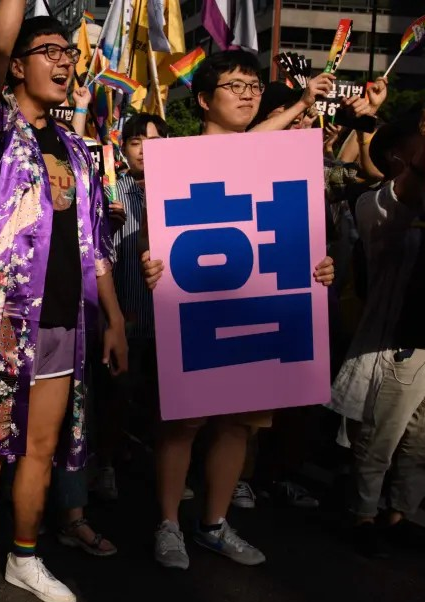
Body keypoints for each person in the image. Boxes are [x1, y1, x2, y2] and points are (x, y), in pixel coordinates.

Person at [0, 7, 127, 602]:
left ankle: (25, 555)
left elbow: (94, 246)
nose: (65, 62)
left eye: (69, 53)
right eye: (49, 52)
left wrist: (115, 318)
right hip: (1, 324)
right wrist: (5, 33)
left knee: (40, 448)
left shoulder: (78, 150)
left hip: (65, 321)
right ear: (17, 67)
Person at [140, 49, 336, 570]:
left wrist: (315, 266)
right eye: (235, 86)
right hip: (198, 307)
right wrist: (150, 263)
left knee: (237, 422)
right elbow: (151, 237)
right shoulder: (177, 160)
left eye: (253, 85)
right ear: (205, 99)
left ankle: (213, 524)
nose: (248, 95)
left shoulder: (273, 156)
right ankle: (168, 523)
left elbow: (294, 232)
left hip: (254, 307)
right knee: (184, 422)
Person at [330, 107, 425, 557]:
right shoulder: (375, 202)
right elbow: (411, 188)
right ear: (398, 155)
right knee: (382, 435)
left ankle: (399, 514)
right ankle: (364, 515)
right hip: (398, 341)